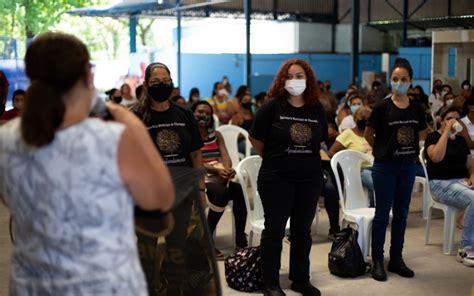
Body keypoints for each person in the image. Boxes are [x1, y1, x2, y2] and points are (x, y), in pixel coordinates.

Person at [0, 32, 174, 295]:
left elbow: (7, 198)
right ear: (88, 75)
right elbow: (160, 197)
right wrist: (127, 120)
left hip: (32, 285)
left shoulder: (6, 138)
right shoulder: (113, 139)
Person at [250, 58, 327, 296]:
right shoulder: (272, 106)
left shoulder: (316, 109)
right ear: (282, 80)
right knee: (274, 230)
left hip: (309, 178)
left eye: (300, 76)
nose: (295, 81)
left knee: (302, 231)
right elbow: (256, 139)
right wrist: (276, 158)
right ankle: (270, 283)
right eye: (290, 76)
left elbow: (320, 140)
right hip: (277, 178)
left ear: (309, 80)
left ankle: (300, 279)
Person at [131, 62, 205, 295]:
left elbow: (195, 153)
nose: (161, 86)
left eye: (165, 81)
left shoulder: (184, 114)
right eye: (155, 82)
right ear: (146, 85)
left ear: (172, 82)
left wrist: (201, 191)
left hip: (181, 193)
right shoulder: (135, 116)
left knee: (177, 248)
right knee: (146, 250)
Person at [364, 58, 428, 282]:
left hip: (407, 167)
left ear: (410, 81)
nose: (398, 83)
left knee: (401, 214)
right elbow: (368, 134)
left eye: (403, 79)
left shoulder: (416, 108)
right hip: (385, 167)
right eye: (394, 79)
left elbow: (422, 132)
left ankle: (397, 259)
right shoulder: (382, 107)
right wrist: (381, 150)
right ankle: (378, 261)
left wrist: (410, 149)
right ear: (390, 81)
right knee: (382, 214)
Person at [191, 101, 248, 258]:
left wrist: (227, 169)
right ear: (192, 113)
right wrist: (216, 169)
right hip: (200, 178)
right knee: (221, 193)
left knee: (238, 190)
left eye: (208, 113)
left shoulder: (216, 135)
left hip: (217, 174)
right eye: (200, 112)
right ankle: (207, 239)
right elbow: (194, 162)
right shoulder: (189, 135)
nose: (204, 116)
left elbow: (225, 155)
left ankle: (240, 236)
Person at [424, 106, 474, 267]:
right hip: (440, 184)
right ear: (441, 121)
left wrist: (472, 175)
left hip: (461, 182)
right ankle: (466, 248)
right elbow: (436, 157)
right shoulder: (432, 137)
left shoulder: (460, 141)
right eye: (450, 119)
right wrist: (446, 132)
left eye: (457, 119)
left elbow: (470, 165)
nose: (455, 122)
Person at [329, 106, 375, 206]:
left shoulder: (372, 134)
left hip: (375, 167)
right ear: (356, 119)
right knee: (374, 182)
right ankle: (374, 210)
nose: (366, 122)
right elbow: (331, 152)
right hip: (358, 170)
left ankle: (384, 210)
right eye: (363, 119)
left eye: (368, 119)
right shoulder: (348, 134)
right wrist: (347, 164)